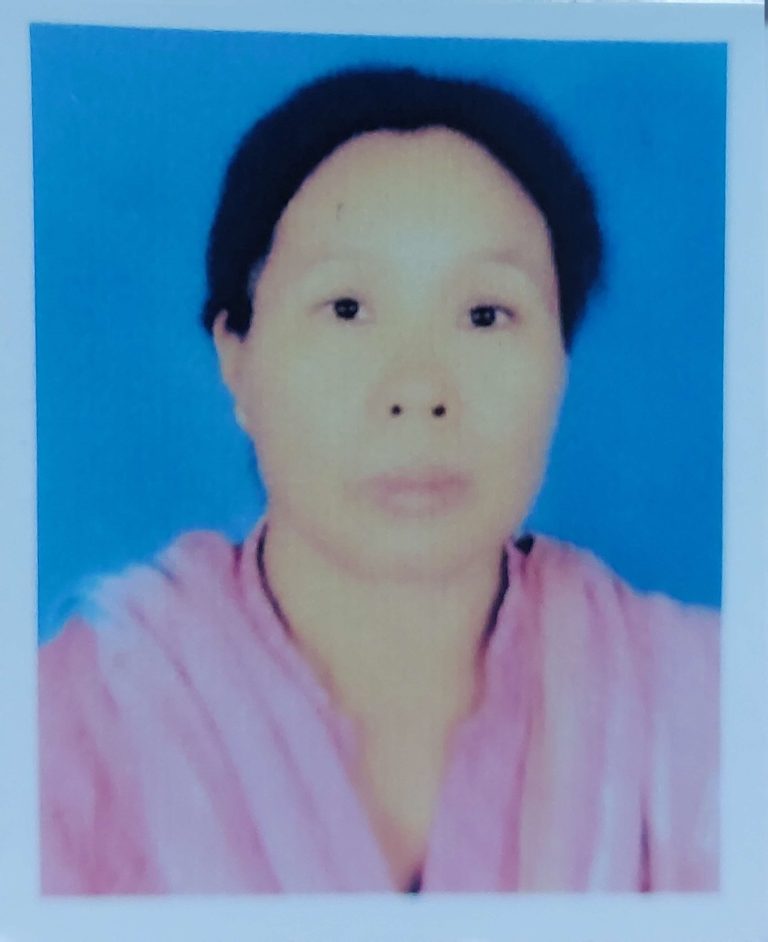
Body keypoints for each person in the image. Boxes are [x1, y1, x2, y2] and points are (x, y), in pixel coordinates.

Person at [38, 66, 719, 895]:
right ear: (236, 357)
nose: (418, 390)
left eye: (486, 314)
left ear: (561, 360)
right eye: (347, 308)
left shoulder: (708, 706)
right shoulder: (68, 722)